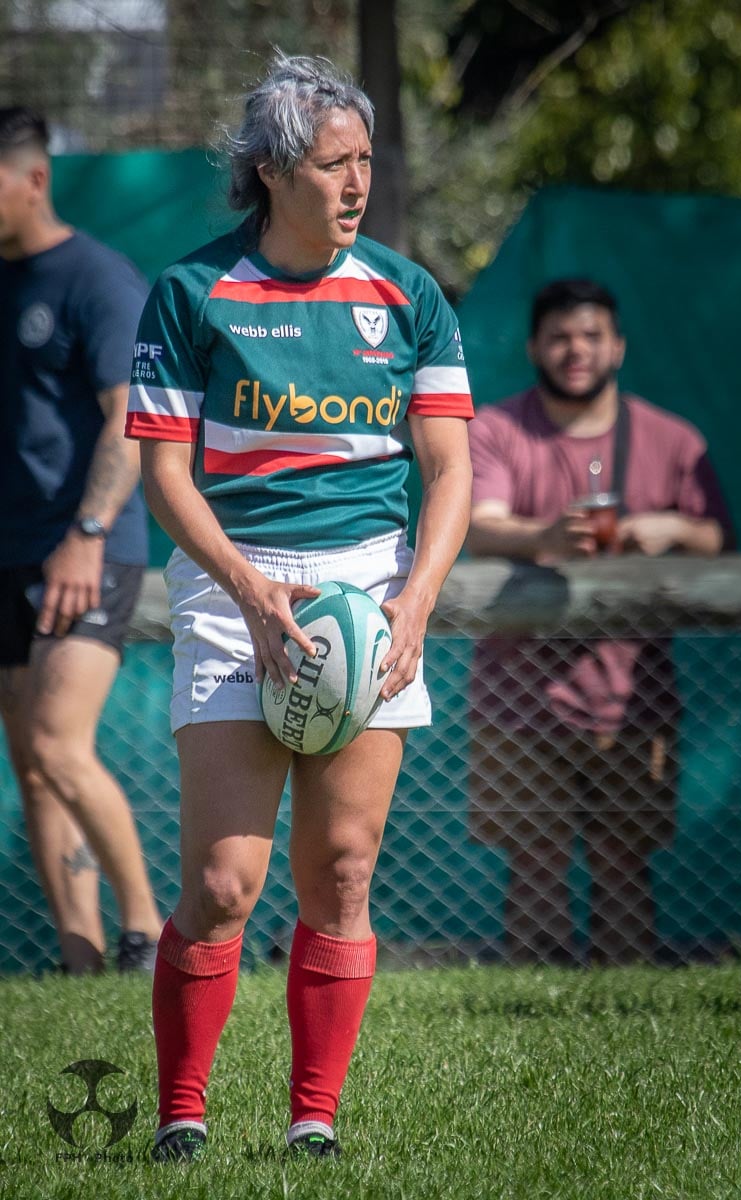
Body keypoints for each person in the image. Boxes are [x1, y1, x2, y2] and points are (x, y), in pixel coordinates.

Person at [126, 53, 473, 1162]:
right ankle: (182, 1116)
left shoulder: (408, 295)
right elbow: (165, 476)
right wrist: (247, 588)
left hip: (371, 590)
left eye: (364, 159)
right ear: (271, 171)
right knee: (224, 884)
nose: (357, 182)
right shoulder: (191, 292)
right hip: (238, 588)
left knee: (343, 871)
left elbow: (450, 469)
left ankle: (312, 1122)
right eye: (333, 164)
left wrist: (414, 602)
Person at [466, 278, 731, 966]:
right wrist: (545, 535)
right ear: (533, 347)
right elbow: (478, 525)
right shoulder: (496, 429)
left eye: (590, 335)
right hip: (517, 699)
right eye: (559, 336)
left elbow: (715, 539)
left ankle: (627, 995)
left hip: (635, 697)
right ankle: (530, 1002)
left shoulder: (673, 440)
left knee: (623, 859)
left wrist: (670, 527)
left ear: (618, 346)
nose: (575, 350)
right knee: (534, 859)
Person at [0, 107, 162, 974]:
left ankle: (147, 936)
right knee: (31, 763)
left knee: (60, 744)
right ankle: (81, 959)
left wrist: (87, 534)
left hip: (86, 549)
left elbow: (130, 423)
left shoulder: (97, 279)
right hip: (10, 549)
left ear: (35, 180)